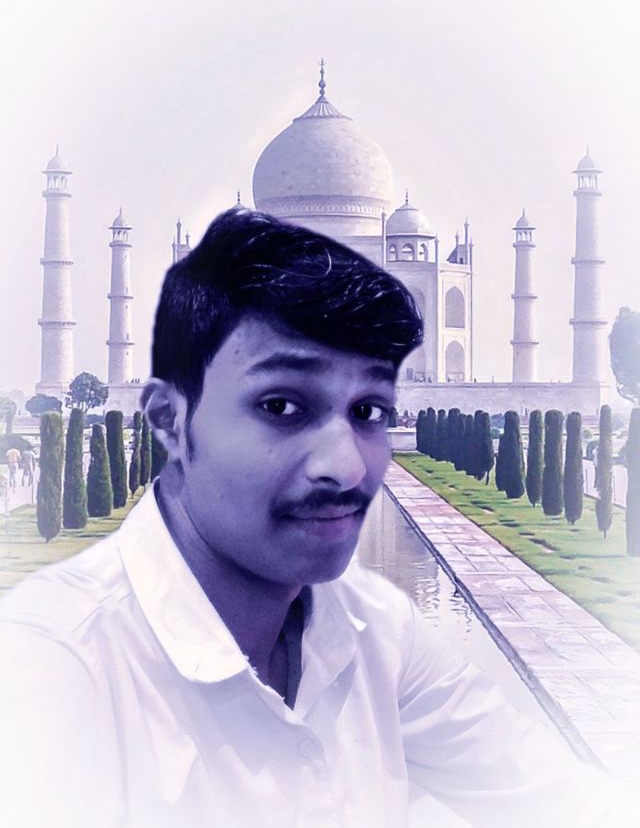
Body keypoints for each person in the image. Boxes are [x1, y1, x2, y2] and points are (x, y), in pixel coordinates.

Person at [0, 209, 636, 828]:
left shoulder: (373, 634)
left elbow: (563, 801)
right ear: (169, 419)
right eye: (281, 406)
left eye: (368, 411)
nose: (343, 466)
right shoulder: (60, 670)